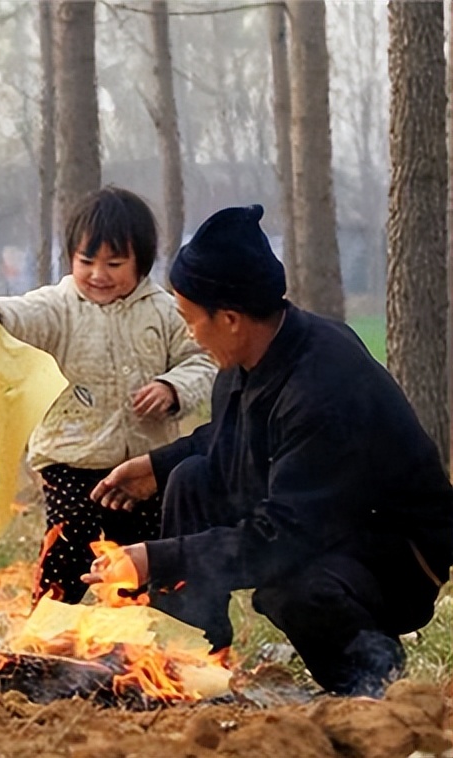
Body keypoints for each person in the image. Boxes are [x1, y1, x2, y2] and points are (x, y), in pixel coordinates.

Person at [85, 204, 453, 698]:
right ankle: (191, 658)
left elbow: (279, 538)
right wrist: (158, 464)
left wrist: (156, 558)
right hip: (320, 516)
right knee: (191, 479)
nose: (189, 333)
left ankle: (372, 683)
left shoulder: (324, 386)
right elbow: (231, 440)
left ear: (231, 318)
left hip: (393, 550)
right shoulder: (249, 354)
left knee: (290, 586)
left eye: (191, 320)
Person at [0, 186, 216, 604]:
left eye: (114, 264)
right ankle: (45, 637)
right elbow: (26, 313)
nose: (98, 275)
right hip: (71, 462)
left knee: (139, 561)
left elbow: (204, 360)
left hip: (142, 468)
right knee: (67, 554)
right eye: (87, 261)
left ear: (141, 263)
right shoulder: (60, 306)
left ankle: (138, 649)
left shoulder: (163, 311)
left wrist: (172, 388)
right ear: (71, 258)